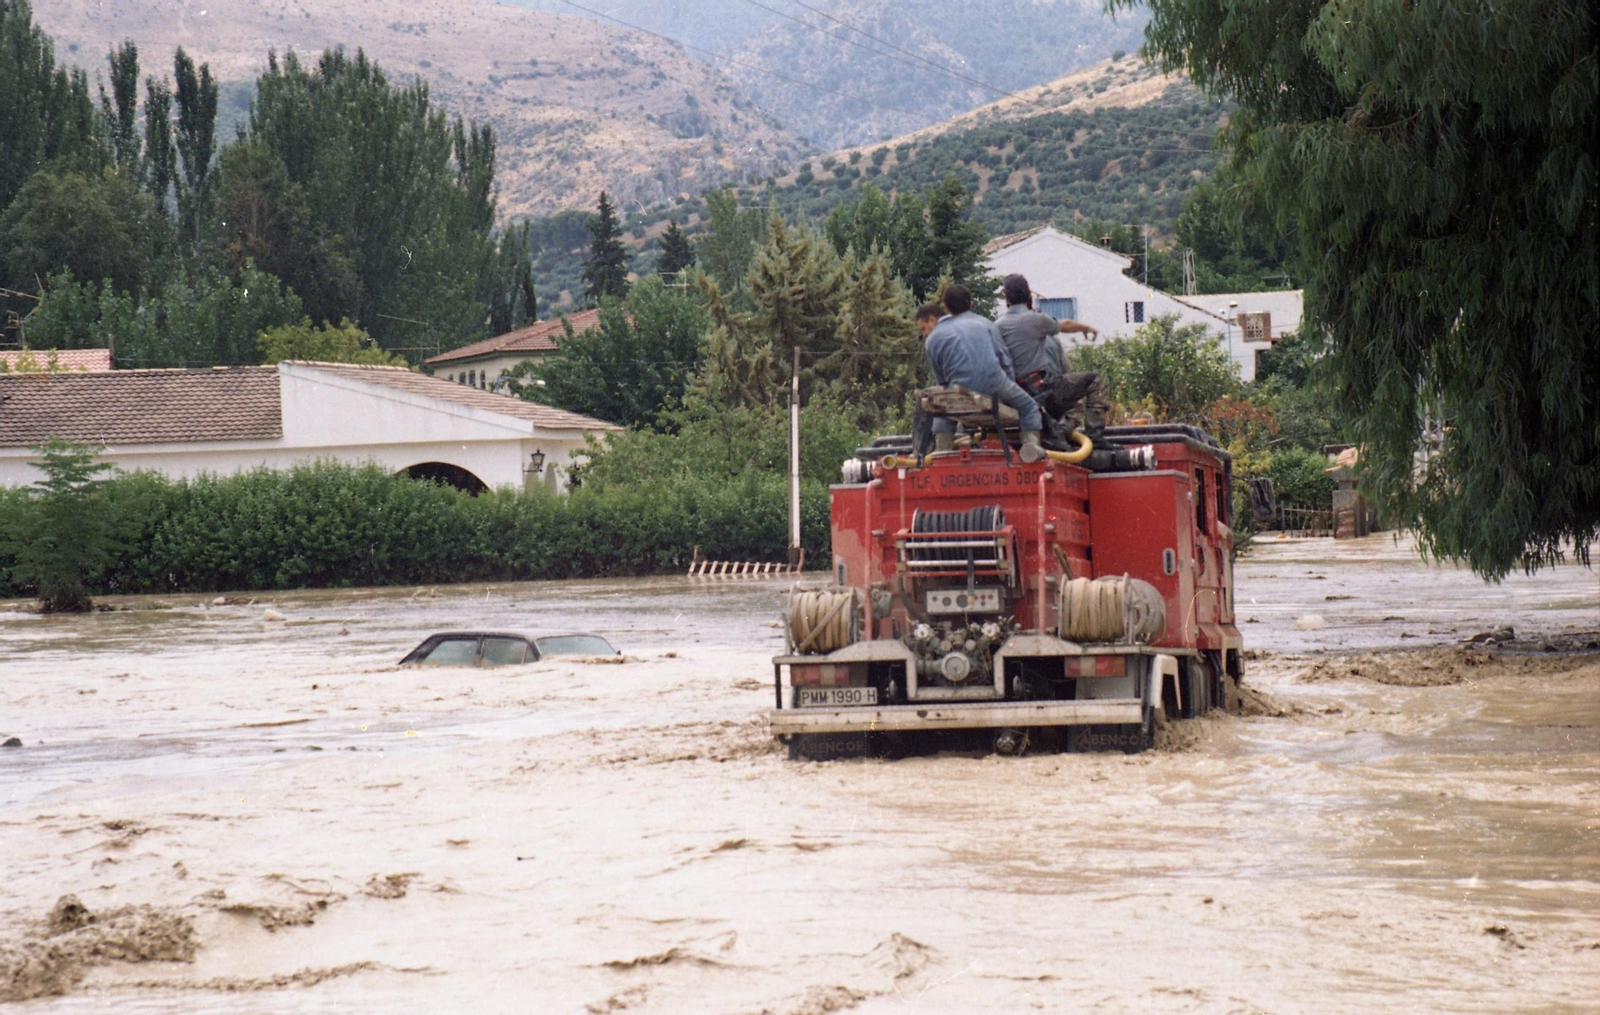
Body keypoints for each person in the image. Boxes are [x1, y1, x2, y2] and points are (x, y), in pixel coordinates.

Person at [919, 285, 1046, 461]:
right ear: (970, 304)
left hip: (959, 387)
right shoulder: (986, 323)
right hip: (995, 384)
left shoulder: (932, 339)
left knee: (943, 414)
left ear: (946, 308)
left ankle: (942, 454)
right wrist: (1007, 391)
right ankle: (1031, 448)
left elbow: (941, 380)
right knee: (1029, 407)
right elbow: (1005, 360)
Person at [994, 273, 1111, 440]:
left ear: (1006, 298)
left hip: (1011, 395)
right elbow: (1065, 325)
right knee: (1095, 381)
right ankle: (1094, 439)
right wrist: (1086, 328)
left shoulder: (997, 326)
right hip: (1041, 393)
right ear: (1029, 294)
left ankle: (1058, 433)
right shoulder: (1036, 320)